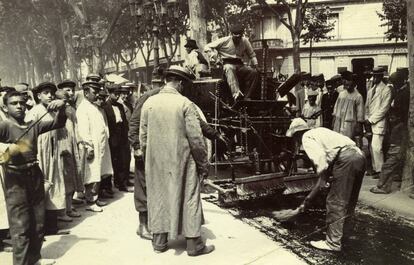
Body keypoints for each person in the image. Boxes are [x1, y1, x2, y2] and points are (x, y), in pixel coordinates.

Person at [129, 66, 228, 241]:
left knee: (158, 196)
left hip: (156, 159)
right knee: (189, 197)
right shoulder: (183, 102)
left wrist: (148, 156)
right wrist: (203, 165)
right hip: (181, 159)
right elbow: (196, 138)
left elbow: (143, 134)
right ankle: (194, 243)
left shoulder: (150, 103)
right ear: (181, 83)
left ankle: (159, 241)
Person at [1, 90, 67, 265]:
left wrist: (62, 105)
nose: (19, 106)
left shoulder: (33, 124)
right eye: (13, 103)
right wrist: (6, 149)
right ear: (5, 107)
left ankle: (34, 259)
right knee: (20, 227)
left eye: (22, 103)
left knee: (38, 223)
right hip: (15, 178)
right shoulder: (4, 126)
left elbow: (59, 123)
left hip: (35, 174)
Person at [286, 118, 365, 252]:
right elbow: (329, 161)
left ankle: (333, 243)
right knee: (350, 200)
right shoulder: (320, 131)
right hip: (359, 156)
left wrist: (308, 200)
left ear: (297, 134)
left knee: (336, 201)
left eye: (294, 137)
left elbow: (322, 165)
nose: (296, 141)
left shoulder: (306, 138)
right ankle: (343, 234)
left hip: (346, 160)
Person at [25, 82, 67, 235]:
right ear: (38, 96)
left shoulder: (52, 110)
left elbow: (59, 126)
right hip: (40, 154)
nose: (50, 96)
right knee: (42, 188)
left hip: (52, 152)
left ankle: (52, 226)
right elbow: (28, 136)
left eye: (51, 93)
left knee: (54, 185)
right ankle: (39, 229)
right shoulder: (35, 112)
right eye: (46, 93)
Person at [76, 81, 113, 212]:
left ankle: (95, 197)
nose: (97, 94)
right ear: (86, 93)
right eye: (94, 92)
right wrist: (88, 146)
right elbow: (83, 130)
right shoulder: (83, 109)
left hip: (100, 144)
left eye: (98, 92)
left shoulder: (94, 107)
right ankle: (91, 200)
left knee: (98, 172)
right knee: (91, 173)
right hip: (91, 146)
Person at [370, 71, 409, 194]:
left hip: (401, 128)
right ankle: (394, 179)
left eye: (394, 82)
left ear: (401, 81)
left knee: (390, 161)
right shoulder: (400, 91)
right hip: (397, 126)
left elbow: (402, 111)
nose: (392, 84)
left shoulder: (404, 93)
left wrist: (395, 117)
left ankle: (383, 187)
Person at [204, 24, 259, 100]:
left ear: (242, 35)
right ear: (231, 34)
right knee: (229, 68)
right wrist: (215, 57)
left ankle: (247, 96)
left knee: (253, 73)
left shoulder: (245, 41)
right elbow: (207, 47)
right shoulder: (224, 40)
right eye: (235, 36)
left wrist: (256, 66)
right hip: (227, 63)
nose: (237, 39)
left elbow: (252, 55)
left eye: (239, 37)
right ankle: (236, 94)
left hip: (240, 65)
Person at [55, 80, 83, 219]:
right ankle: (65, 209)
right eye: (67, 91)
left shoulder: (72, 108)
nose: (70, 93)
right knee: (65, 177)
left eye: (72, 91)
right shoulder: (57, 110)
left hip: (72, 144)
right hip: (63, 145)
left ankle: (70, 202)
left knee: (73, 174)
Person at [102, 84, 132, 193]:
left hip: (121, 135)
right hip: (112, 136)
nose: (117, 96)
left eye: (118, 94)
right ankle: (108, 186)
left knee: (122, 160)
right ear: (109, 94)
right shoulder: (105, 106)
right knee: (112, 161)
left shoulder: (120, 106)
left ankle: (122, 183)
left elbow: (124, 121)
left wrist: (126, 135)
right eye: (115, 94)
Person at [365, 67, 392, 177]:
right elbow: (367, 106)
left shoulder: (386, 90)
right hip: (369, 122)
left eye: (377, 76)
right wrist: (366, 118)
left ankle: (380, 170)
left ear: (381, 76)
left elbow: (384, 109)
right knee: (371, 147)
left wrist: (371, 120)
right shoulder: (371, 90)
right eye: (373, 75)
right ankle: (375, 169)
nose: (374, 78)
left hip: (379, 123)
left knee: (377, 147)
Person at [332, 71, 365, 142]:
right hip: (338, 122)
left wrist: (359, 127)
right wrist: (334, 120)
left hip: (349, 124)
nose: (347, 83)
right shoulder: (341, 94)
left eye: (349, 81)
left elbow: (360, 113)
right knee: (337, 141)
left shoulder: (358, 96)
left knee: (347, 142)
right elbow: (336, 108)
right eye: (345, 81)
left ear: (354, 83)